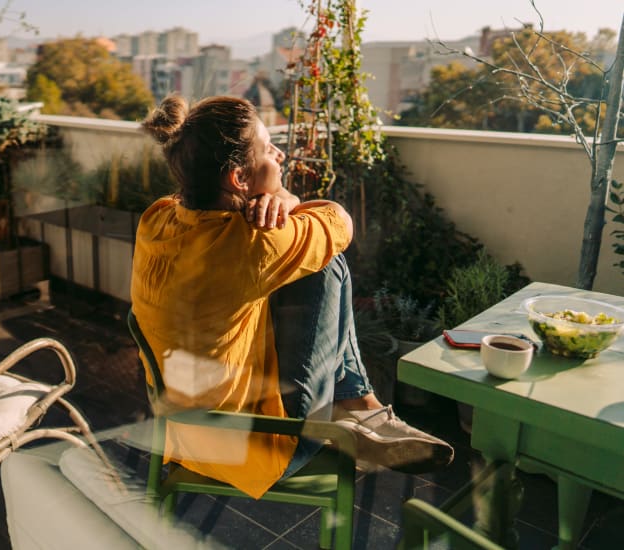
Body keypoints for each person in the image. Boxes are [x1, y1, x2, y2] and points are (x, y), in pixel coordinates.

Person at [130, 94, 453, 499]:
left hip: (181, 434)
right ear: (238, 179)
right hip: (254, 447)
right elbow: (340, 224)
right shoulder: (253, 245)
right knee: (326, 265)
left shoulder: (157, 218)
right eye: (268, 149)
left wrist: (280, 200)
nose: (279, 154)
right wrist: (287, 201)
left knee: (300, 266)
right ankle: (357, 408)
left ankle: (360, 408)